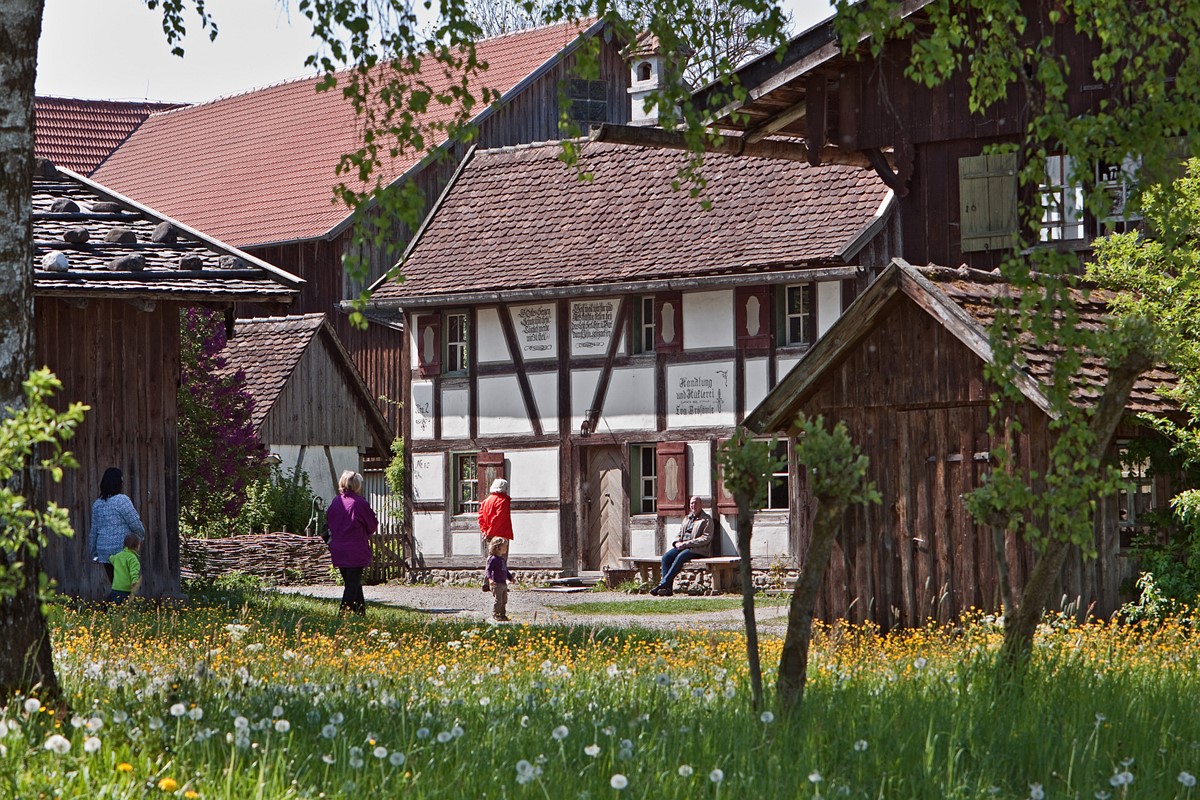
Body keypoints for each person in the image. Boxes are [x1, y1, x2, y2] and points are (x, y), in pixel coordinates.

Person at [326, 470, 378, 615]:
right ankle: (341, 616)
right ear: (357, 485)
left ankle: (360, 613)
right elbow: (372, 524)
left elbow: (329, 522)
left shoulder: (336, 502)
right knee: (352, 584)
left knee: (352, 583)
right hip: (355, 549)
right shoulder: (359, 503)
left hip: (338, 548)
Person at [88, 467, 146, 588]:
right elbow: (134, 522)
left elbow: (93, 531)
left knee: (116, 584)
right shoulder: (122, 500)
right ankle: (112, 605)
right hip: (121, 549)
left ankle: (114, 606)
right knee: (125, 587)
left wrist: (93, 551)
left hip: (104, 551)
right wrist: (141, 536)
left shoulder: (97, 504)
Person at [650, 496, 713, 596]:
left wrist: (687, 543)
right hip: (683, 546)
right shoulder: (687, 518)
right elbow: (680, 534)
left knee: (680, 557)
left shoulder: (706, 520)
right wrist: (677, 543)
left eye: (696, 503)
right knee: (666, 557)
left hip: (698, 549)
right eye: (692, 503)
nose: (694, 505)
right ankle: (668, 589)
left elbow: (706, 538)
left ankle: (663, 584)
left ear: (701, 505)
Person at [477, 477, 512, 591]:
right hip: (501, 533)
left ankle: (487, 581)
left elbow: (481, 517)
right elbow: (499, 518)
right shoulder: (503, 500)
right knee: (501, 560)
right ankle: (499, 584)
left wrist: (485, 531)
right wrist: (491, 530)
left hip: (489, 534)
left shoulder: (486, 501)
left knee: (491, 558)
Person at [107, 533, 142, 605]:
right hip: (126, 590)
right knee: (126, 610)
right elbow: (134, 572)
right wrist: (134, 583)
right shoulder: (133, 558)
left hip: (116, 588)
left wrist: (109, 556)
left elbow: (111, 559)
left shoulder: (118, 556)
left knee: (115, 609)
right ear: (136, 546)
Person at [486, 536, 514, 622]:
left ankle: (502, 615)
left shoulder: (502, 560)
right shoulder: (493, 559)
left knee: (504, 600)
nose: (506, 548)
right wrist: (490, 579)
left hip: (503, 583)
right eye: (504, 546)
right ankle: (496, 614)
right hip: (496, 583)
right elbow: (488, 570)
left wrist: (510, 578)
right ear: (498, 548)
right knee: (498, 600)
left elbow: (505, 570)